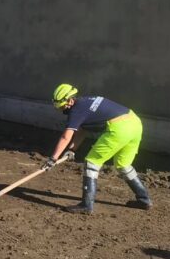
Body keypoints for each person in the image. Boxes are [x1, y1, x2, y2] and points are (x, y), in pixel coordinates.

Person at [46, 84, 152, 214]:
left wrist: (53, 158)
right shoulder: (87, 102)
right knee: (123, 165)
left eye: (63, 106)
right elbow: (82, 130)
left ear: (71, 100)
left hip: (118, 129)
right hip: (134, 123)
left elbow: (65, 137)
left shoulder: (76, 110)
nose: (62, 109)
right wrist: (72, 150)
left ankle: (86, 205)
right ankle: (144, 200)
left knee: (91, 162)